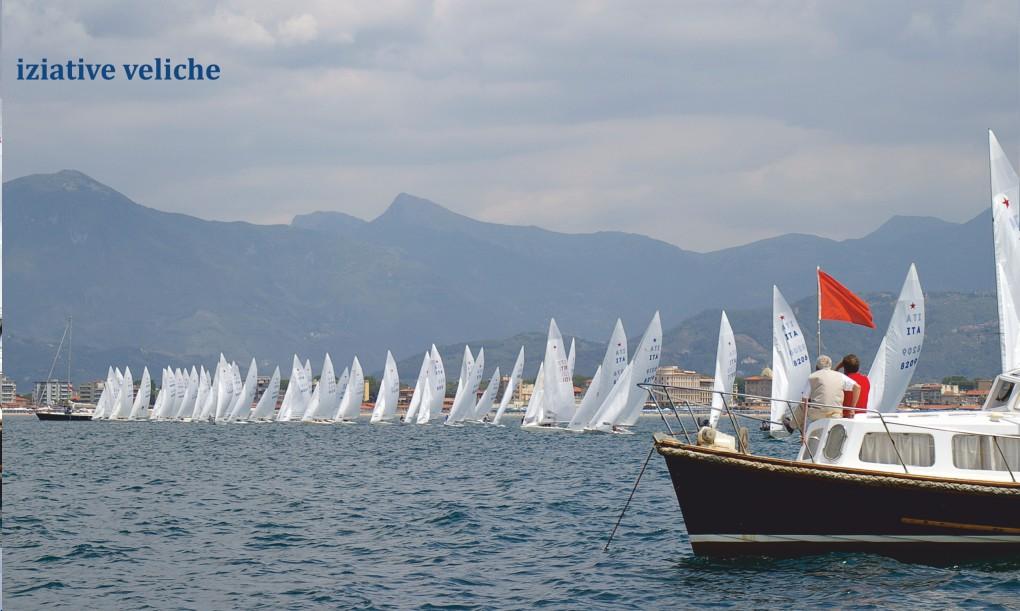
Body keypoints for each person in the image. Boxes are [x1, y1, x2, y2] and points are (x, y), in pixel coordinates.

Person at [786, 355, 860, 434]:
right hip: (835, 413)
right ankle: (797, 428)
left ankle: (794, 427)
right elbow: (857, 387)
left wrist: (802, 422)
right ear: (830, 366)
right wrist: (852, 409)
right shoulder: (840, 376)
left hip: (818, 414)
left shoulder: (812, 377)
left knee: (802, 406)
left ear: (817, 367)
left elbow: (805, 400)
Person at [836, 354, 870, 418]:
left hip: (846, 416)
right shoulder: (866, 380)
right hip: (862, 416)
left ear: (844, 367)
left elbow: (830, 378)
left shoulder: (843, 380)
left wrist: (837, 367)